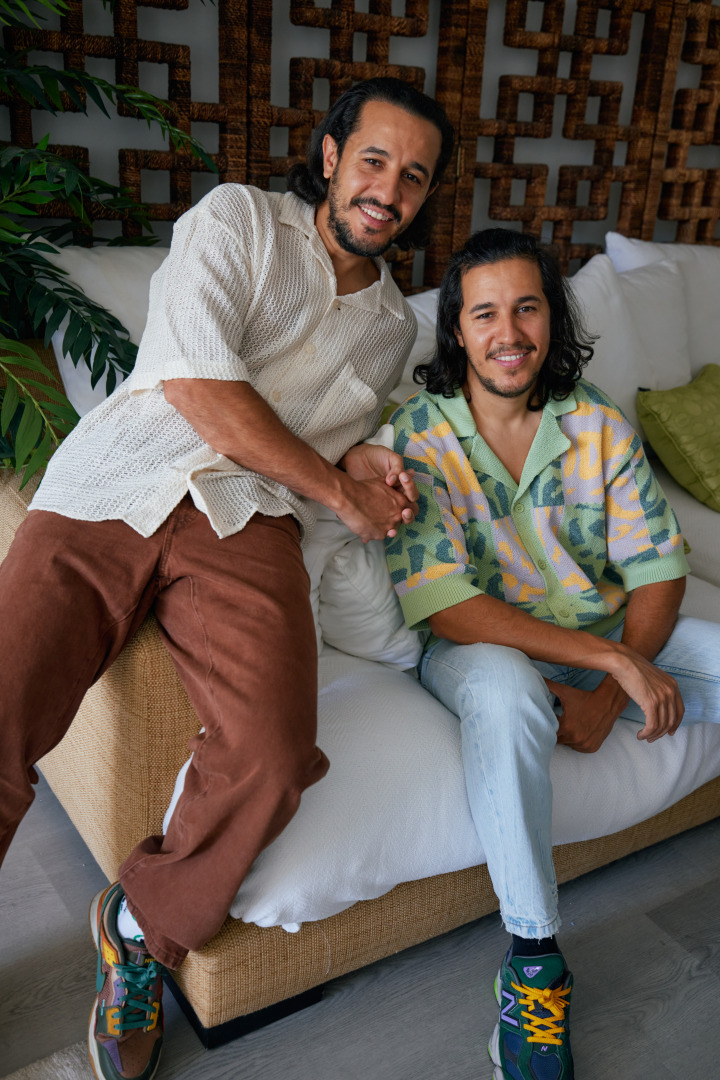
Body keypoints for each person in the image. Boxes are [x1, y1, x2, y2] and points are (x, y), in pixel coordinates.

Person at [0, 78, 454, 1080]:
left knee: (274, 756)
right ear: (331, 156)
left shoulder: (393, 329)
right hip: (120, 478)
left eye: (414, 177)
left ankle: (139, 928)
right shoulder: (237, 220)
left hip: (249, 521)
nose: (389, 190)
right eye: (374, 160)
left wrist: (367, 458)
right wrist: (338, 489)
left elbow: (340, 433)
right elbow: (200, 388)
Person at [385, 227, 720, 1080]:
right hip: (482, 647)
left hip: (606, 638)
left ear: (552, 318)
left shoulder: (596, 419)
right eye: (485, 313)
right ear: (456, 330)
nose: (509, 333)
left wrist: (612, 686)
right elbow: (446, 606)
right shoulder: (418, 435)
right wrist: (618, 667)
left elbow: (658, 567)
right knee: (506, 696)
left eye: (527, 308)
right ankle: (533, 965)